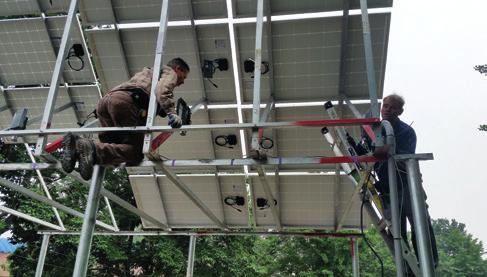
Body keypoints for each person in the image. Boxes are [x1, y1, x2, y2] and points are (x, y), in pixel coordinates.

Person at [61, 57, 190, 180]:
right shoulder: (170, 72)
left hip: (107, 102)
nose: (182, 82)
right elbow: (162, 90)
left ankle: (77, 148)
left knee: (115, 148)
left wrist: (168, 112)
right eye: (183, 77)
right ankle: (88, 147)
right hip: (126, 103)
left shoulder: (149, 73)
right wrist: (172, 112)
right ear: (178, 68)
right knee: (136, 153)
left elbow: (151, 96)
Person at [374, 94, 439, 269]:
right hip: (387, 189)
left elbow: (402, 156)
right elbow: (368, 151)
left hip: (407, 186)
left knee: (420, 224)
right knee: (396, 232)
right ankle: (406, 268)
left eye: (392, 107)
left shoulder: (406, 132)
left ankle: (428, 264)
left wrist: (385, 149)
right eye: (385, 106)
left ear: (400, 111)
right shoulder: (375, 129)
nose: (387, 109)